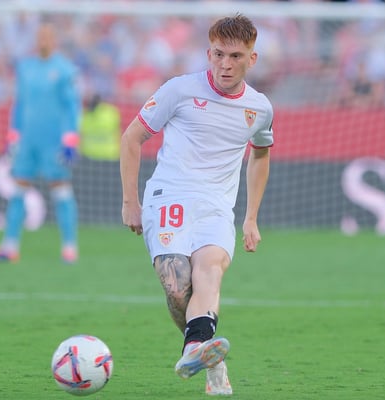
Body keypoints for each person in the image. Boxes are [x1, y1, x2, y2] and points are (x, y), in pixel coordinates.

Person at [120, 14, 274, 396]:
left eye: (235, 56)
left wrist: (251, 217)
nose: (225, 64)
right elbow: (131, 138)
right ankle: (211, 357)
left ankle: (195, 347)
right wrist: (130, 202)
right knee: (177, 287)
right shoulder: (179, 90)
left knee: (210, 271)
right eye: (218, 54)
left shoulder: (259, 108)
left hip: (217, 207)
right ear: (208, 53)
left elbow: (260, 155)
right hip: (169, 196)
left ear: (252, 59)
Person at [0, 22, 82, 264]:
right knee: (18, 188)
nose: (43, 41)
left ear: (54, 40)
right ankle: (10, 246)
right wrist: (13, 135)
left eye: (47, 37)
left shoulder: (65, 69)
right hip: (28, 140)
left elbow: (71, 106)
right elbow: (19, 103)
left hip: (53, 141)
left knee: (61, 190)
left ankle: (69, 247)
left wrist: (70, 138)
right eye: (40, 37)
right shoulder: (25, 67)